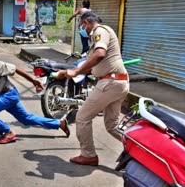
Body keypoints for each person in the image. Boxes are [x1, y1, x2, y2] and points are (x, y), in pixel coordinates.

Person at [55, 11, 129, 166]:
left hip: (110, 83)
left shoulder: (100, 31)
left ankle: (88, 155)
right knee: (112, 125)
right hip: (118, 82)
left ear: (86, 22)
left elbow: (100, 54)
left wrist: (75, 71)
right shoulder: (99, 36)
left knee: (82, 117)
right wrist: (67, 72)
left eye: (82, 25)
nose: (82, 29)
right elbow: (93, 65)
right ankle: (138, 147)